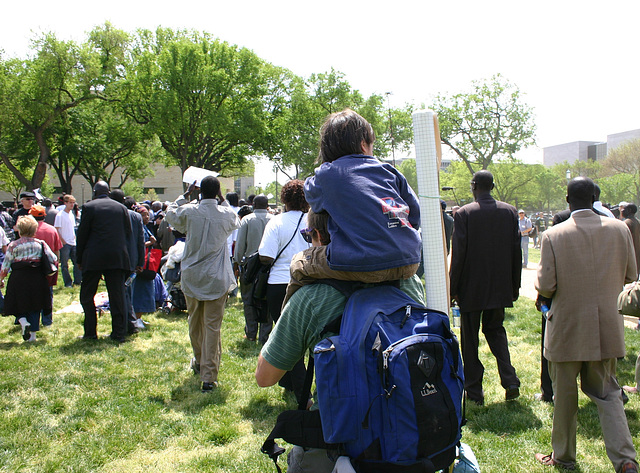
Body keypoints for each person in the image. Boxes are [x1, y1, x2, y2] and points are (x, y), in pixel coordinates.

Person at [255, 209, 426, 473]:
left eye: (308, 235)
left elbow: (265, 376)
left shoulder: (310, 297)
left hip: (340, 437)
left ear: (320, 237)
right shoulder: (409, 280)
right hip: (410, 426)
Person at [534, 177, 638, 473]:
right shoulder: (621, 230)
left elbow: (547, 285)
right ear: (596, 197)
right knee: (608, 394)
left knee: (564, 397)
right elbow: (631, 274)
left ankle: (563, 456)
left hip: (566, 327)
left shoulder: (554, 235)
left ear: (567, 200)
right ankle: (625, 459)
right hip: (607, 326)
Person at [300, 109, 421, 286]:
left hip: (362, 263)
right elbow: (415, 216)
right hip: (409, 261)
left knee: (299, 263)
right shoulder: (390, 171)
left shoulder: (326, 175)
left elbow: (311, 195)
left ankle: (291, 312)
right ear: (364, 144)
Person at [449, 170, 521, 405]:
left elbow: (458, 255)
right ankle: (510, 380)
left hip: (472, 288)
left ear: (474, 187)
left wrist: (453, 288)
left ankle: (474, 390)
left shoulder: (464, 214)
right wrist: (514, 285)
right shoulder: (509, 212)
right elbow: (515, 251)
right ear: (492, 186)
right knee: (496, 331)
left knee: (470, 340)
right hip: (499, 286)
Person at [165, 176, 239, 392]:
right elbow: (236, 220)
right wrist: (222, 199)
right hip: (216, 277)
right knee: (212, 327)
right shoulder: (225, 213)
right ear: (217, 193)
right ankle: (208, 375)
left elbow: (170, 214)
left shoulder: (189, 210)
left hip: (193, 275)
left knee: (194, 322)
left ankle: (200, 361)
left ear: (198, 192)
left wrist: (184, 196)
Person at [258, 180, 310, 402]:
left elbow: (265, 255)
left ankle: (302, 394)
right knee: (307, 337)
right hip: (309, 282)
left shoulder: (276, 222)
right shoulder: (313, 220)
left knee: (288, 338)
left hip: (280, 284)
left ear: (284, 199)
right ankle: (289, 382)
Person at [76, 181, 132, 342]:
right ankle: (119, 332)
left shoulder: (89, 207)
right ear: (108, 192)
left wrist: (79, 259)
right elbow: (128, 233)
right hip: (116, 256)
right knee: (117, 296)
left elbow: (82, 235)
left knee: (87, 295)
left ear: (94, 192)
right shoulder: (121, 208)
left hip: (94, 257)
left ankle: (90, 331)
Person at [0, 215, 57, 342]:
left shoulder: (13, 245)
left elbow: (5, 266)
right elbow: (53, 259)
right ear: (34, 230)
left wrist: (1, 279)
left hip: (18, 278)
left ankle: (23, 321)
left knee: (17, 303)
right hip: (37, 278)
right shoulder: (40, 244)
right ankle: (32, 337)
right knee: (35, 305)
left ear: (20, 230)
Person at [233, 194, 272, 344]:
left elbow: (240, 246)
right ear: (267, 205)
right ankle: (265, 335)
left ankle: (251, 333)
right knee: (267, 301)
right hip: (269, 266)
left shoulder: (247, 220)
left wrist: (237, 263)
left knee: (248, 300)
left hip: (250, 266)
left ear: (253, 204)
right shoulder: (274, 220)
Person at [110, 190, 145, 335]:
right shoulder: (136, 216)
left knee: (119, 294)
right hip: (132, 259)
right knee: (126, 292)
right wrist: (140, 261)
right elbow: (140, 241)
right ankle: (131, 323)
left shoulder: (111, 215)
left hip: (116, 260)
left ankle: (127, 324)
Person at [30, 205, 63, 326]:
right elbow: (57, 250)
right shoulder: (52, 229)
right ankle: (47, 320)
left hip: (33, 267)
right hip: (49, 266)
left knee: (33, 294)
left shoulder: (30, 231)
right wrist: (57, 263)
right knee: (48, 293)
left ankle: (33, 321)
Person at [54, 194, 82, 287]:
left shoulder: (71, 214)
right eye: (70, 203)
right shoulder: (60, 215)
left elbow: (73, 227)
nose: (72, 205)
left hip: (73, 242)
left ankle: (78, 281)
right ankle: (68, 282)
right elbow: (57, 229)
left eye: (73, 203)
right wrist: (63, 241)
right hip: (65, 243)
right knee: (64, 265)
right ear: (65, 203)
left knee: (76, 262)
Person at [621, 203, 640, 278]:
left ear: (629, 210)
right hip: (636, 255)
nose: (622, 211)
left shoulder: (626, 223)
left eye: (624, 209)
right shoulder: (637, 221)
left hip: (630, 255)